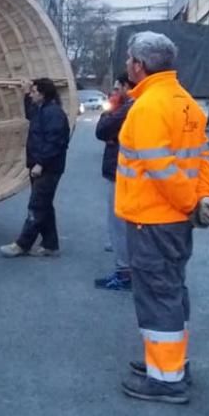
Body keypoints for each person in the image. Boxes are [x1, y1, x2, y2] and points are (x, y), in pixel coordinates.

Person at [115, 31, 209, 404]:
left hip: (154, 219)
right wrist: (205, 197)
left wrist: (191, 203)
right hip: (173, 221)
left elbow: (160, 170)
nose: (127, 65)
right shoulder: (186, 103)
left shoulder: (148, 107)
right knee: (172, 290)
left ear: (139, 66)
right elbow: (204, 157)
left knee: (158, 294)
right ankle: (171, 362)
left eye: (129, 60)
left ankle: (166, 379)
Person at [0, 78, 70, 257]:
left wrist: (40, 163)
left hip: (48, 167)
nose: (32, 95)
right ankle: (50, 245)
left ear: (43, 94)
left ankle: (22, 244)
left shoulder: (53, 113)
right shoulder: (42, 110)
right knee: (44, 205)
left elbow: (56, 142)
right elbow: (30, 114)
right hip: (41, 165)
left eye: (34, 92)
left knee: (37, 205)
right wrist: (25, 93)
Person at [93, 74, 135, 291]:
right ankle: (127, 270)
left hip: (121, 173)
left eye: (118, 88)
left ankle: (124, 272)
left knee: (119, 224)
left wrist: (110, 111)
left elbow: (101, 130)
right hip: (122, 171)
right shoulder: (131, 106)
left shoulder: (128, 108)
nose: (114, 93)